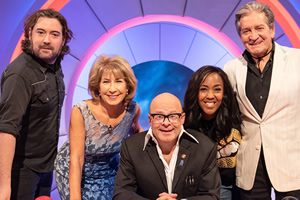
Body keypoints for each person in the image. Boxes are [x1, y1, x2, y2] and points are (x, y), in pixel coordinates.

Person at [223, 1, 300, 199]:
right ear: (240, 35)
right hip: (250, 168)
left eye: (259, 28)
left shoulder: (297, 60)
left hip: (293, 165)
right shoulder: (231, 69)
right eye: (246, 30)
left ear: (272, 29)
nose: (253, 36)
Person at [0, 9, 73, 200]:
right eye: (41, 32)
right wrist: (4, 187)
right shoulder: (20, 74)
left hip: (46, 168)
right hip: (21, 172)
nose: (47, 40)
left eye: (54, 34)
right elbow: (7, 129)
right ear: (30, 33)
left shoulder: (54, 65)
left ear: (63, 39)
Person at [54, 54, 143, 200]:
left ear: (128, 86)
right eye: (106, 82)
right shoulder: (81, 111)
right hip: (76, 172)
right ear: (98, 86)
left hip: (109, 171)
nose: (112, 89)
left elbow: (137, 132)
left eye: (119, 81)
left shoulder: (133, 110)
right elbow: (76, 159)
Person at [113, 92, 221, 200]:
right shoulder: (131, 147)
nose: (166, 123)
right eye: (159, 116)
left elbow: (211, 196)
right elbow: (121, 193)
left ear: (182, 118)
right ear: (150, 119)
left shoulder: (205, 147)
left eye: (173, 116)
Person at [184, 66, 242, 200]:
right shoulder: (183, 122)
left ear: (225, 93)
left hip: (228, 188)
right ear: (195, 92)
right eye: (203, 89)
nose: (210, 96)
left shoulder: (239, 117)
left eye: (217, 89)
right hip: (194, 191)